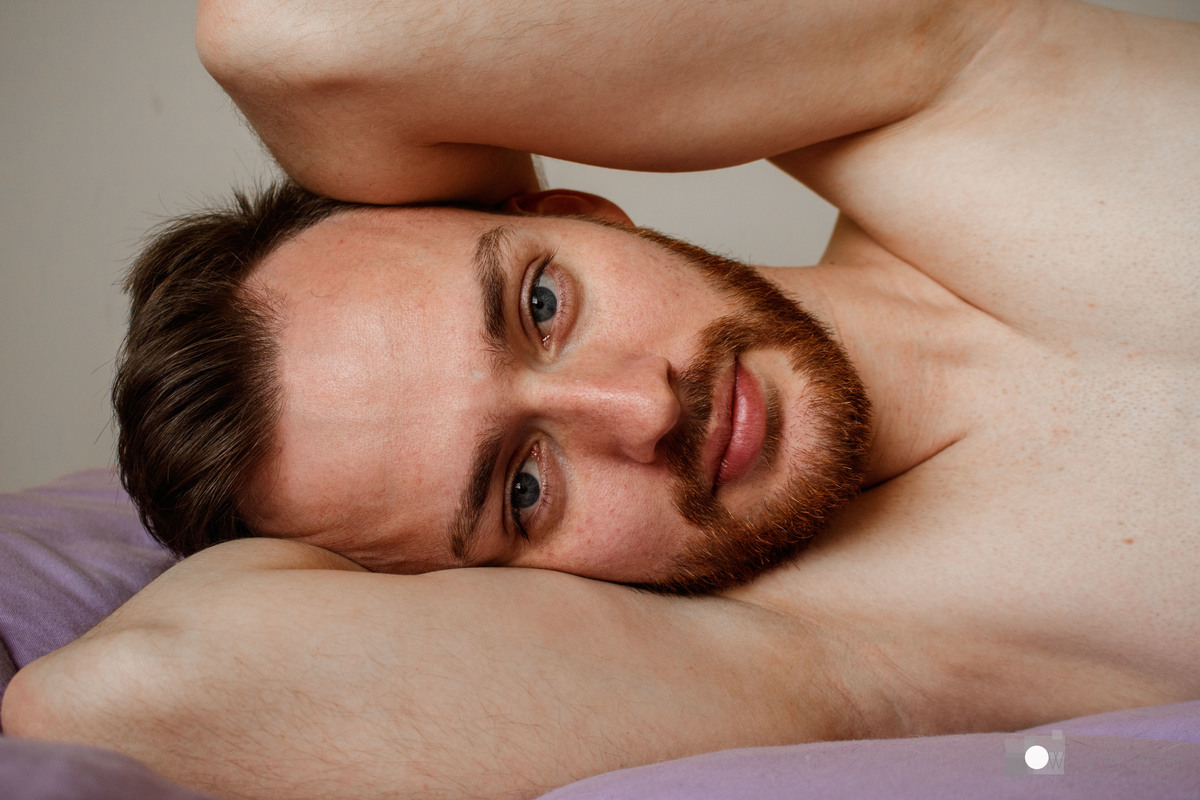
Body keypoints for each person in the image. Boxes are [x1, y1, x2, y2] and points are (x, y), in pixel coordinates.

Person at [4, 0, 1198, 798]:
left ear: (575, 213)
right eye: (524, 488)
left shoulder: (954, 78)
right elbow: (112, 700)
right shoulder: (839, 658)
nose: (640, 411)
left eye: (540, 304)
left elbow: (287, 33)